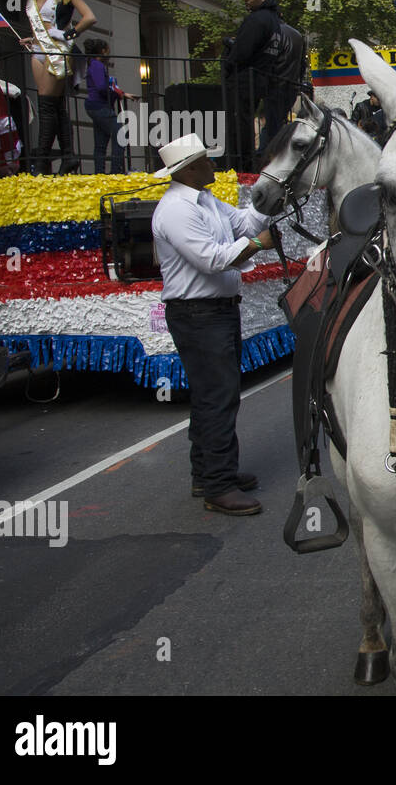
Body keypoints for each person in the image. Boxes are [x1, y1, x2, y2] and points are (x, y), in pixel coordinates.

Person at [151, 133, 275, 515]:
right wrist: (258, 244)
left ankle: (208, 473)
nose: (213, 167)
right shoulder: (176, 209)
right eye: (206, 161)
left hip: (213, 312)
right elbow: (212, 259)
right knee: (218, 397)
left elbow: (244, 222)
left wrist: (270, 199)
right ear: (189, 170)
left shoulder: (206, 201)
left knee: (213, 395)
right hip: (198, 314)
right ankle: (218, 484)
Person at [7, 0, 96, 175]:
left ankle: (41, 160)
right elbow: (40, 26)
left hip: (57, 51)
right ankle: (67, 156)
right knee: (55, 106)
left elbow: (90, 17)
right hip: (38, 50)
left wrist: (69, 34)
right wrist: (30, 38)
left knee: (47, 106)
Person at [224, 0, 303, 170]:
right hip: (274, 82)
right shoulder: (281, 27)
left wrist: (229, 58)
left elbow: (242, 53)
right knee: (269, 125)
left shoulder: (260, 21)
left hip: (260, 81)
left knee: (247, 123)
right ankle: (260, 159)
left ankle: (252, 162)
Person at [83, 38, 139, 174]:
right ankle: (116, 171)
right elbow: (102, 88)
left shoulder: (93, 64)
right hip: (99, 105)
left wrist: (122, 93)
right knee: (120, 134)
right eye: (107, 50)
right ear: (103, 51)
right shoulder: (97, 65)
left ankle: (100, 173)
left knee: (101, 141)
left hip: (96, 105)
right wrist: (117, 94)